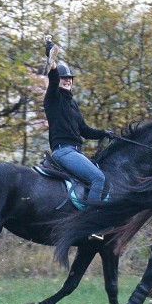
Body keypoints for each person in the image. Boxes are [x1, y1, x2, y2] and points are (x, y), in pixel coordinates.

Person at [42, 39, 115, 203]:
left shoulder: (72, 104)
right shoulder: (53, 98)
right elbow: (53, 80)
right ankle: (90, 219)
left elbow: (84, 130)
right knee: (98, 178)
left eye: (69, 78)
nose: (67, 80)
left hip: (75, 151)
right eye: (63, 78)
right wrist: (51, 59)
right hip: (64, 151)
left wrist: (104, 133)